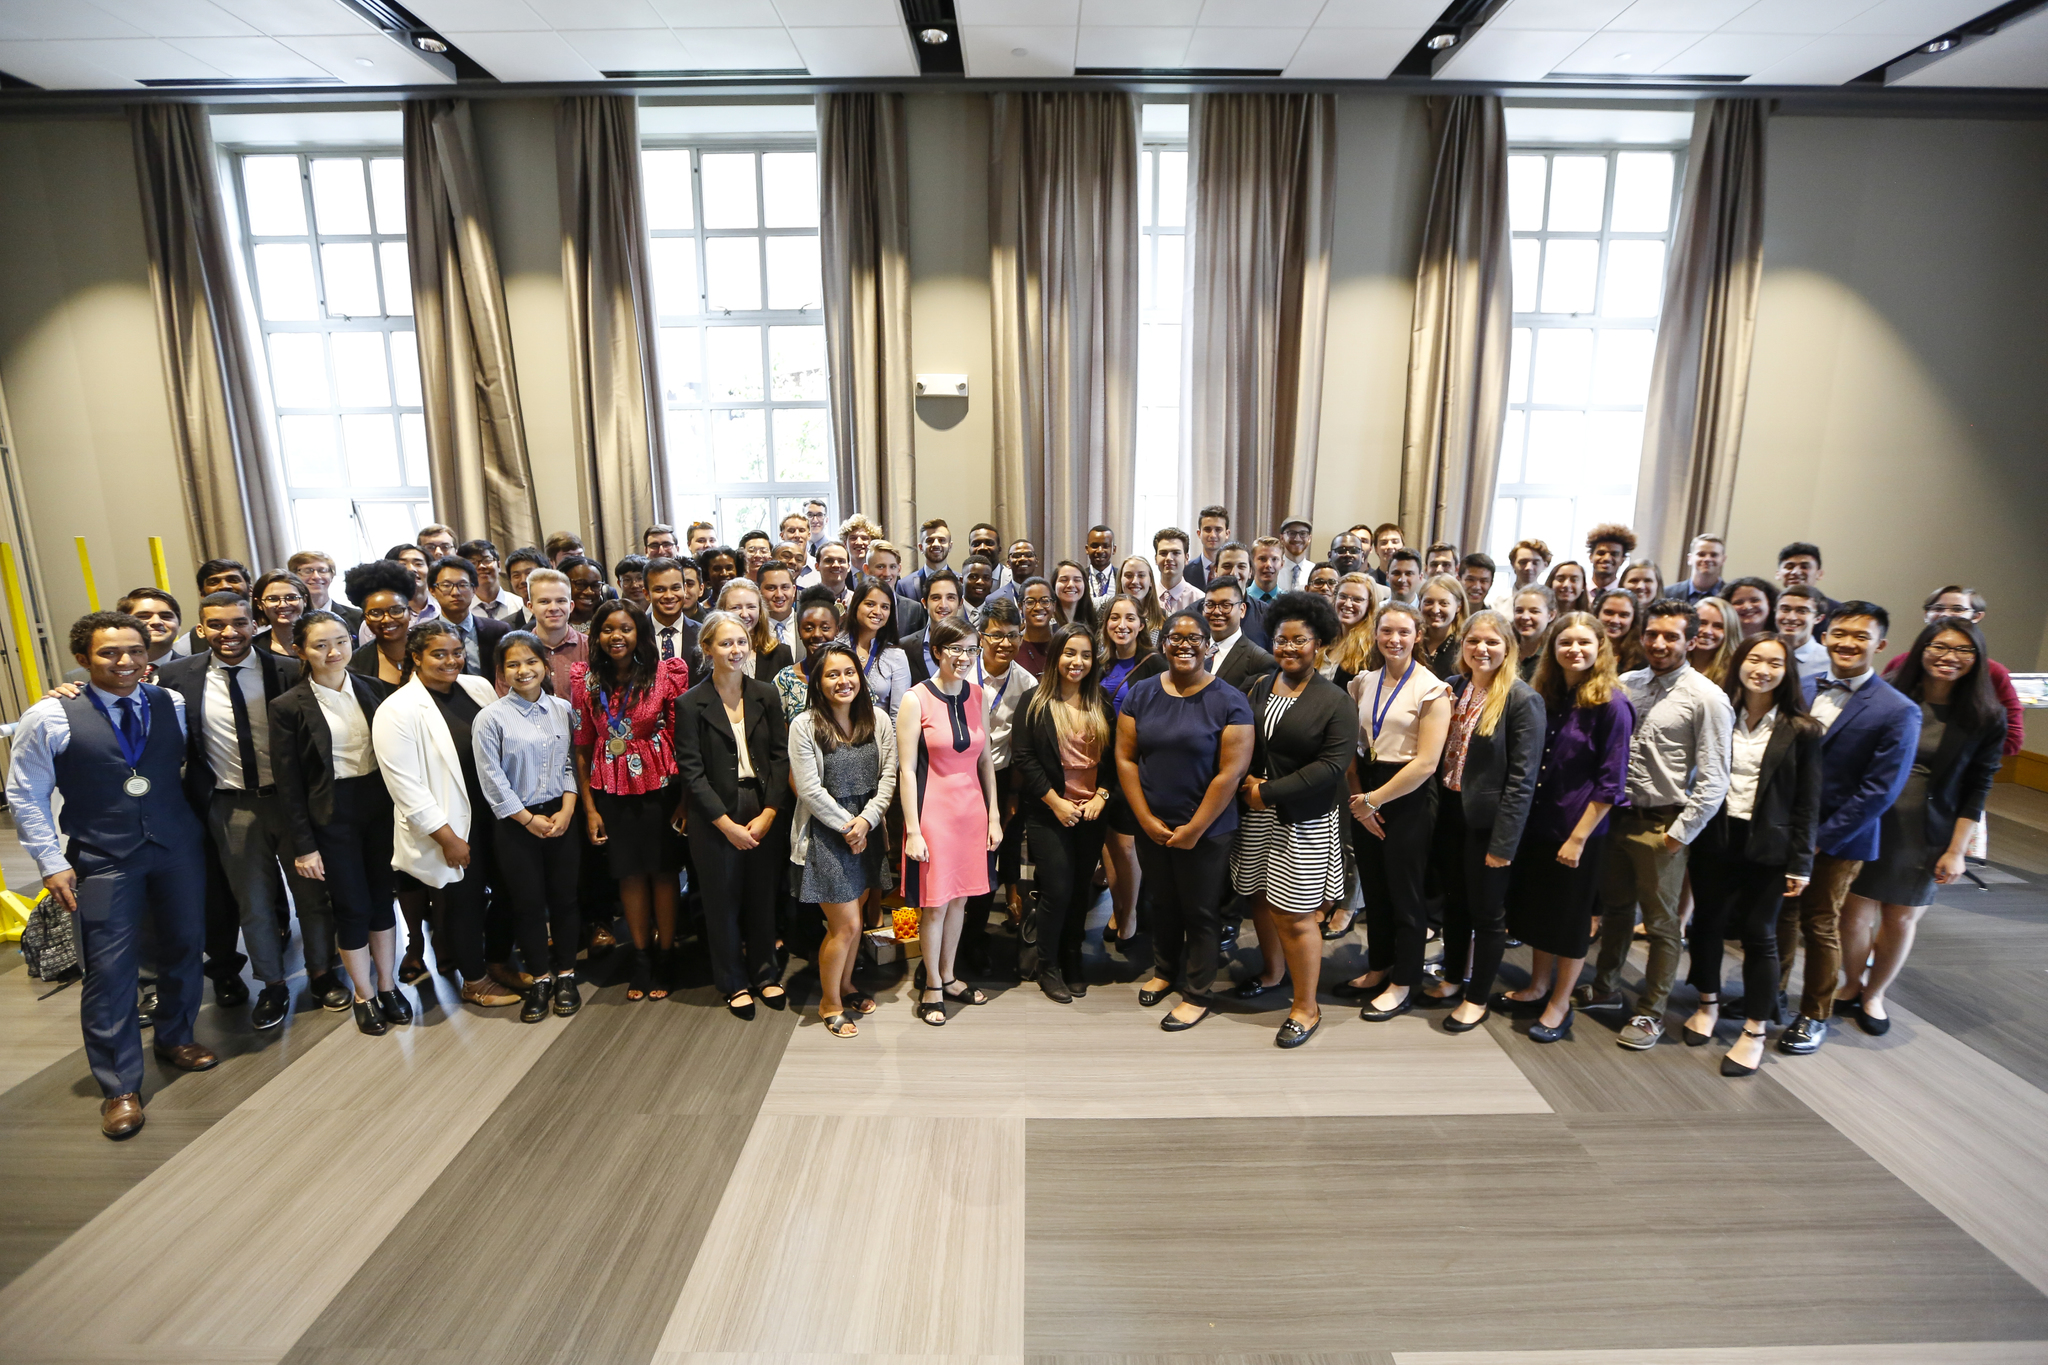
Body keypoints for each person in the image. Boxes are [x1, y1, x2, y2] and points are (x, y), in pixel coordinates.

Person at [6, 612, 217, 1138]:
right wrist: (50, 862)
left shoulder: (170, 702)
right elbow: (24, 794)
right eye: (108, 653)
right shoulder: (49, 716)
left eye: (135, 652)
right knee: (109, 970)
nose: (124, 662)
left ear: (149, 656)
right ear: (82, 659)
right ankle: (119, 1085)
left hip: (176, 847)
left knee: (185, 947)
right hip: (102, 857)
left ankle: (175, 1035)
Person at [160, 590, 343, 1024]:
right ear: (201, 629)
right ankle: (273, 986)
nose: (229, 633)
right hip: (229, 808)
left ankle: (322, 974)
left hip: (290, 802)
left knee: (313, 896)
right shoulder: (175, 677)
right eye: (217, 625)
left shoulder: (287, 670)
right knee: (253, 903)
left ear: (254, 623)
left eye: (239, 623)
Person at [1836, 615, 2005, 1036]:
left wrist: (1956, 849)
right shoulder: (1888, 691)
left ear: (1977, 658)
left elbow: (1978, 786)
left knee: (1901, 917)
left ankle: (1875, 994)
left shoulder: (1985, 714)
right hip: (1869, 820)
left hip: (1927, 830)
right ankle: (1850, 984)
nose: (1949, 657)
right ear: (1921, 649)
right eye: (1939, 647)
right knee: (1853, 913)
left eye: (1963, 650)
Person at [1579, 600, 1734, 1050]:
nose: (1660, 644)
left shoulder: (1706, 697)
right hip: (1618, 815)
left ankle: (1651, 1012)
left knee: (1664, 923)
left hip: (1662, 823)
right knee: (1615, 910)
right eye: (1653, 634)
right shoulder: (1627, 684)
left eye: (1671, 636)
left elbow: (1714, 777)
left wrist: (1677, 834)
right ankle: (1607, 987)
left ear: (1692, 640)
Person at [1777, 601, 1920, 1056]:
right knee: (1778, 914)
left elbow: (1880, 790)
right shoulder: (1798, 686)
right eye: (1839, 633)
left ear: (1880, 645)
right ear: (1824, 636)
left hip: (1838, 838)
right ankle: (1771, 994)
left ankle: (1814, 1013)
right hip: (1782, 826)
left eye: (1861, 636)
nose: (1847, 643)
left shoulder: (1898, 710)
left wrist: (1819, 840)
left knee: (1820, 922)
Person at [1682, 635, 1821, 1076]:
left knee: (1760, 935)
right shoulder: (1720, 714)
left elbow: (1808, 803)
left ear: (1787, 671)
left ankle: (1756, 1029)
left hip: (1769, 846)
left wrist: (1801, 862)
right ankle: (1707, 1003)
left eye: (1774, 663)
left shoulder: (1803, 729)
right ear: (1739, 663)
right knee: (1706, 923)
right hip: (1715, 836)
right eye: (1754, 659)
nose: (1762, 669)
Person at [270, 610, 408, 1037]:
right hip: (331, 813)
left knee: (383, 900)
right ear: (301, 651)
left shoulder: (376, 690)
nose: (334, 652)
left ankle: (388, 986)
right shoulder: (287, 707)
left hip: (378, 806)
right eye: (320, 645)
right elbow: (289, 785)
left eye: (341, 642)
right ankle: (363, 995)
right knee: (351, 906)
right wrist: (304, 846)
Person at [1118, 610, 1255, 1033]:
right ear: (1163, 644)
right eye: (1175, 638)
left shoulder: (1230, 700)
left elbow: (1229, 774)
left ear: (1208, 646)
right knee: (1162, 902)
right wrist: (1143, 817)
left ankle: (1197, 993)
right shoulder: (1140, 693)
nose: (1183, 645)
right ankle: (1164, 971)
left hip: (1208, 829)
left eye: (1193, 638)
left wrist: (1194, 829)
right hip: (1152, 822)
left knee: (1199, 910)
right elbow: (1125, 757)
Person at [1230, 593, 1358, 1047]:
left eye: (1299, 641)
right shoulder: (1260, 685)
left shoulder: (1335, 700)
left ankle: (1307, 1006)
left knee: (1296, 914)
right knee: (1262, 900)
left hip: (1303, 820)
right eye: (1281, 640)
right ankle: (1271, 973)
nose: (1288, 648)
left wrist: (1266, 791)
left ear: (1318, 642)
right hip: (1258, 818)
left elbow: (1331, 768)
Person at [1498, 614, 1632, 1042]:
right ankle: (1538, 986)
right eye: (1565, 642)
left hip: (1579, 832)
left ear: (1600, 648)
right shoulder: (1547, 695)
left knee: (1571, 923)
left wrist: (1578, 838)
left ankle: (1559, 1003)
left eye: (1584, 643)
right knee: (1540, 915)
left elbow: (1611, 784)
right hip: (1539, 823)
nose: (1574, 650)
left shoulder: (1612, 703)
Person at [371, 621, 517, 1009]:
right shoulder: (397, 710)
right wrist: (446, 837)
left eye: (456, 652)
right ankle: (474, 979)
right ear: (415, 657)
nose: (451, 661)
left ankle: (498, 961)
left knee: (510, 890)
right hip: (452, 825)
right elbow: (404, 785)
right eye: (439, 654)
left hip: (495, 815)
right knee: (463, 903)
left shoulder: (478, 688)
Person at [1419, 609, 1542, 1033]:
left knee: (1488, 914)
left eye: (1491, 642)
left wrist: (1504, 844)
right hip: (1449, 814)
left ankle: (1477, 998)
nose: (1481, 649)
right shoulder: (1453, 687)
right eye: (1473, 641)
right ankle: (1453, 977)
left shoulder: (1522, 699)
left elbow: (1523, 781)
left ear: (1508, 647)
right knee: (1455, 904)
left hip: (1489, 824)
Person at [1334, 601, 1451, 1022]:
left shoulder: (1432, 689)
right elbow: (1355, 747)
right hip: (1365, 791)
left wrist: (1373, 801)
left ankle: (1404, 981)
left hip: (1408, 795)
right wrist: (1360, 800)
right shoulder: (1363, 682)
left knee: (1405, 894)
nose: (1394, 639)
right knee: (1377, 890)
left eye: (1403, 632)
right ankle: (1378, 966)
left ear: (1417, 635)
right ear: (1376, 635)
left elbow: (1426, 764)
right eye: (1387, 631)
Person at [570, 600, 691, 1002]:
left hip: (662, 787)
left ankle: (667, 952)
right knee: (629, 875)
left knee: (663, 872)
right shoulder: (585, 680)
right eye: (607, 629)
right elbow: (583, 745)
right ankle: (640, 956)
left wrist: (686, 800)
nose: (616, 636)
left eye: (625, 628)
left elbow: (684, 740)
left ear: (639, 632)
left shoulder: (665, 674)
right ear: (596, 635)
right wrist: (589, 808)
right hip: (611, 790)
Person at [676, 610, 790, 1020]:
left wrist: (770, 812)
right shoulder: (689, 703)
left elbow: (780, 758)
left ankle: (765, 973)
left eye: (741, 642)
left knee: (762, 896)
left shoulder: (766, 693)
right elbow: (691, 772)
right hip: (715, 817)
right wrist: (725, 825)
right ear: (707, 649)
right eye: (725, 643)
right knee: (721, 902)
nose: (736, 650)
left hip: (761, 808)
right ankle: (733, 981)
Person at [897, 617, 1004, 1026]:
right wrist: (912, 830)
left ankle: (949, 974)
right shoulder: (915, 699)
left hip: (972, 812)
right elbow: (906, 770)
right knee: (935, 905)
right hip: (934, 814)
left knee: (961, 899)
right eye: (955, 648)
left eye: (970, 649)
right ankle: (931, 986)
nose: (963, 657)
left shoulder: (978, 695)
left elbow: (985, 761)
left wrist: (993, 815)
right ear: (938, 651)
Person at [788, 640, 897, 1037]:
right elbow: (809, 788)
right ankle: (829, 1001)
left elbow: (889, 777)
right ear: (818, 681)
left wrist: (866, 822)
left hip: (868, 831)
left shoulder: (879, 720)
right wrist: (849, 827)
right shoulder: (805, 725)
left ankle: (847, 985)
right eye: (832, 674)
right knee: (846, 925)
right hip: (827, 836)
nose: (843, 680)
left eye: (849, 672)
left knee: (863, 908)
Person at [474, 632, 584, 1023]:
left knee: (566, 899)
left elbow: (571, 763)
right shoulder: (490, 718)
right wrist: (526, 819)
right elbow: (492, 779)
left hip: (561, 815)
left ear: (544, 664)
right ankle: (540, 978)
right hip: (515, 822)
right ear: (501, 672)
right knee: (527, 903)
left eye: (531, 661)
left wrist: (569, 808)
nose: (524, 670)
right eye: (513, 664)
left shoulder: (562, 708)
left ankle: (567, 975)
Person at [1012, 623, 1113, 1002]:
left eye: (1086, 655)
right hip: (1048, 812)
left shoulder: (1100, 700)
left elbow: (1116, 758)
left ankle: (1073, 959)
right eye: (1070, 653)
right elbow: (1025, 758)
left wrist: (1103, 795)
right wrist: (1056, 802)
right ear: (1056, 656)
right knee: (1056, 890)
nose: (1078, 662)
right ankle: (1047, 964)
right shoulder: (1034, 701)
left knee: (1080, 891)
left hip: (1091, 813)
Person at [1888, 585, 2026, 757]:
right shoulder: (1900, 662)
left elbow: (2012, 738)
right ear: (1926, 615)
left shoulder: (1995, 672)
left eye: (1958, 609)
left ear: (1976, 616)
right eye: (1938, 608)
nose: (1946, 614)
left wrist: (1958, 755)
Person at [1096, 594, 1158, 946]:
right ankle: (1117, 909)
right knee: (1108, 843)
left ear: (1141, 623)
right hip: (1100, 763)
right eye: (1114, 618)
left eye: (1130, 618)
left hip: (1135, 764)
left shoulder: (1154, 664)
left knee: (1127, 846)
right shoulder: (1101, 662)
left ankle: (1130, 911)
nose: (1122, 624)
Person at [429, 555, 511, 676]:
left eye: (463, 585)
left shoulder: (499, 631)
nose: (455, 592)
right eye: (446, 585)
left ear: (474, 589)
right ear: (432, 590)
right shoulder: (423, 635)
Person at [1201, 576, 1278, 694]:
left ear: (1242, 610)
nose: (1216, 611)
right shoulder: (1194, 648)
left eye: (1226, 605)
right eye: (1210, 605)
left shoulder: (1260, 661)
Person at [846, 579, 911, 717]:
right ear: (856, 605)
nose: (877, 612)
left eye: (885, 607)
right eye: (870, 604)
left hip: (879, 735)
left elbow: (898, 715)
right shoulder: (836, 647)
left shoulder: (896, 656)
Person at [346, 559, 416, 687]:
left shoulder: (430, 649)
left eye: (396, 611)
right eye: (376, 613)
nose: (387, 619)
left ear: (410, 613)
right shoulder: (356, 664)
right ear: (365, 618)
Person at [775, 588, 841, 719]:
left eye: (825, 628)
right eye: (809, 628)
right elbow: (778, 732)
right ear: (799, 631)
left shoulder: (850, 675)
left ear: (837, 630)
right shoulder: (785, 680)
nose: (817, 634)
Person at [715, 577, 794, 680]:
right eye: (736, 607)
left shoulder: (780, 653)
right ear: (722, 610)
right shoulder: (710, 654)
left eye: (751, 607)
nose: (744, 614)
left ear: (760, 610)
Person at [901, 569, 964, 682]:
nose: (943, 605)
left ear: (960, 603)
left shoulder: (972, 646)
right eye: (936, 598)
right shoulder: (904, 647)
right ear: (924, 603)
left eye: (950, 598)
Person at [644, 555, 702, 670]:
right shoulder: (637, 633)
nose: (669, 596)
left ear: (684, 589)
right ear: (646, 594)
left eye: (675, 588)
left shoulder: (702, 634)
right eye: (659, 590)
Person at [1322, 573, 1377, 688]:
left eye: (1357, 599)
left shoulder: (1372, 649)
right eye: (1343, 597)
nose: (1347, 604)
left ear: (1369, 605)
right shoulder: (1323, 637)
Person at [290, 550, 363, 633]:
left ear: (332, 575)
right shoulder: (289, 618)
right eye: (307, 571)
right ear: (294, 576)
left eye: (322, 570)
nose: (316, 576)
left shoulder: (357, 618)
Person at [249, 570, 310, 660]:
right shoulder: (252, 649)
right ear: (259, 604)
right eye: (273, 599)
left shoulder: (325, 641)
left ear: (304, 600)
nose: (283, 605)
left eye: (291, 598)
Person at [459, 539, 523, 621]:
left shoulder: (519, 605)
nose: (481, 566)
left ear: (499, 565)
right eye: (473, 563)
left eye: (487, 560)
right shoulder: (460, 610)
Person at [1416, 574, 1466, 679]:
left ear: (1458, 606)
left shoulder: (1465, 646)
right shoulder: (1412, 641)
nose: (1435, 610)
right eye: (1428, 602)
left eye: (1444, 603)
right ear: (1420, 602)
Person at [1776, 583, 1830, 676]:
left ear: (1818, 618)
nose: (1791, 617)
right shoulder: (1757, 654)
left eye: (1802, 611)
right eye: (1785, 609)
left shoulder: (1830, 662)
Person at [1687, 596, 1739, 685]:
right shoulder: (1670, 663)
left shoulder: (1735, 673)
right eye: (1702, 623)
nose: (1707, 631)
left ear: (1730, 631)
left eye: (1718, 626)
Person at [1510, 585, 1557, 681]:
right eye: (1519, 611)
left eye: (1534, 611)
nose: (1525, 617)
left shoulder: (1555, 655)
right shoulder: (1505, 650)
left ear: (1551, 615)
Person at [1490, 538, 1551, 610]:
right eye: (1523, 562)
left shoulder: (1550, 601)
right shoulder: (1497, 603)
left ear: (1545, 565)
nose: (1529, 568)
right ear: (1513, 564)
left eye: (1535, 563)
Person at [1595, 588, 1646, 673]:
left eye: (1623, 615)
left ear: (1633, 619)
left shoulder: (1642, 659)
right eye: (1609, 612)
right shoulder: (1583, 649)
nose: (1615, 620)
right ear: (1597, 614)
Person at [902, 517, 953, 600]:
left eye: (941, 540)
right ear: (921, 547)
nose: (936, 544)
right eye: (930, 540)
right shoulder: (904, 586)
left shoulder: (962, 583)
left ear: (950, 546)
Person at [1154, 528, 1201, 615]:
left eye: (1176, 553)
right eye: (1163, 553)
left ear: (1186, 558)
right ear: (1156, 559)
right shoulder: (1146, 597)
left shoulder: (1199, 600)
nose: (1169, 558)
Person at [1117, 554, 1167, 635]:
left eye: (1141, 575)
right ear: (1120, 579)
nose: (1135, 581)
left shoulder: (1165, 618)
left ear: (1151, 581)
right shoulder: (1106, 613)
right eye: (1129, 576)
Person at [1776, 541, 1834, 611]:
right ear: (1778, 574)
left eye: (1804, 567)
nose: (1795, 572)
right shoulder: (1768, 607)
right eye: (1789, 567)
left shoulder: (1836, 610)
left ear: (1819, 574)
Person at [1017, 577, 1056, 677]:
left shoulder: (1062, 645)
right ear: (1021, 606)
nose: (1038, 607)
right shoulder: (1013, 647)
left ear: (1054, 605)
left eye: (1045, 601)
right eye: (1030, 602)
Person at [1585, 523, 1636, 594]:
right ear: (1591, 556)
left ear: (1622, 560)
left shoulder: (1628, 596)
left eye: (1614, 554)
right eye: (1601, 553)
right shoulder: (1576, 594)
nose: (1607, 558)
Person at [1051, 559, 1100, 633]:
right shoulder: (1046, 621)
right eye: (1064, 580)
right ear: (1054, 585)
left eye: (1077, 580)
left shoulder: (1094, 620)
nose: (1071, 585)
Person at [1726, 576, 1779, 641]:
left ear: (1770, 603)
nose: (1747, 607)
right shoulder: (1720, 640)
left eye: (1755, 600)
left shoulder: (1782, 640)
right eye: (1739, 602)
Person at [1191, 504, 1230, 588]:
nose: (1212, 535)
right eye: (1207, 530)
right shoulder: (1185, 571)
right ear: (1199, 533)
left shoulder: (1235, 571)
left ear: (1227, 534)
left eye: (1218, 530)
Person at [1278, 516, 1316, 591]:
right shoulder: (1273, 570)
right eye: (1292, 533)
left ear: (1309, 538)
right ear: (1282, 538)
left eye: (1303, 534)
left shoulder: (1315, 571)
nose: (1297, 539)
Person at [1084, 524, 1118, 600]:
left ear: (1114, 549)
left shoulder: (1122, 578)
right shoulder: (1080, 578)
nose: (1100, 551)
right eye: (1095, 546)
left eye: (1105, 546)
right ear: (1087, 549)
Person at [1247, 537, 1285, 604]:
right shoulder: (1241, 599)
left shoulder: (1290, 602)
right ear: (1252, 563)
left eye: (1274, 559)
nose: (1268, 565)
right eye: (1262, 559)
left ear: (1282, 564)